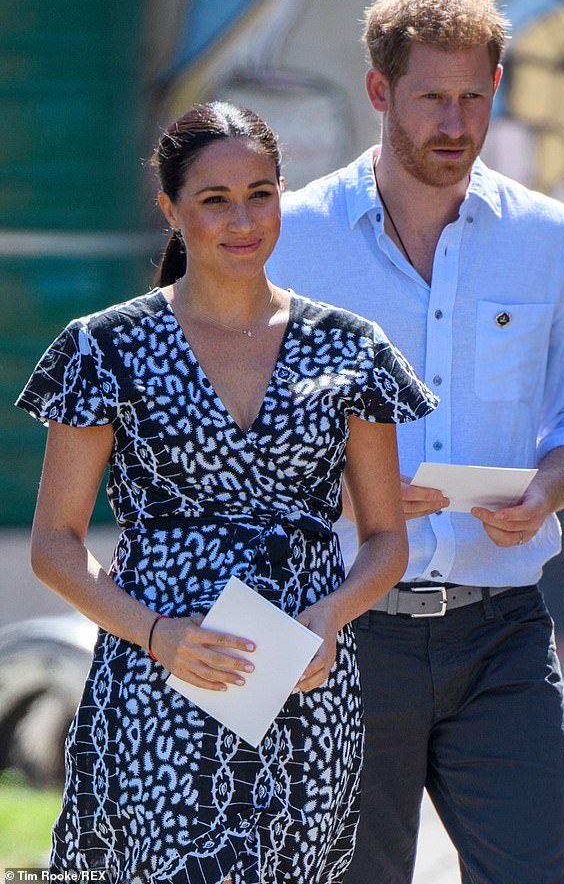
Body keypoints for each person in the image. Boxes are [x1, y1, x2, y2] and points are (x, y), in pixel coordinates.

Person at [15, 102, 438, 883]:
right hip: (158, 683)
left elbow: (385, 539)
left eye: (261, 193)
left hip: (305, 690)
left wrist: (328, 618)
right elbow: (54, 545)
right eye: (214, 199)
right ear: (171, 210)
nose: (242, 220)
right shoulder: (103, 347)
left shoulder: (351, 345)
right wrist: (155, 634)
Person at [266, 0, 564, 884]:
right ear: (379, 90)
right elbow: (228, 435)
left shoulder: (549, 239)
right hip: (339, 632)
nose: (456, 123)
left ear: (497, 86)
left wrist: (548, 487)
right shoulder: (289, 240)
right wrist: (347, 490)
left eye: (473, 96)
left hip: (500, 633)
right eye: (433, 98)